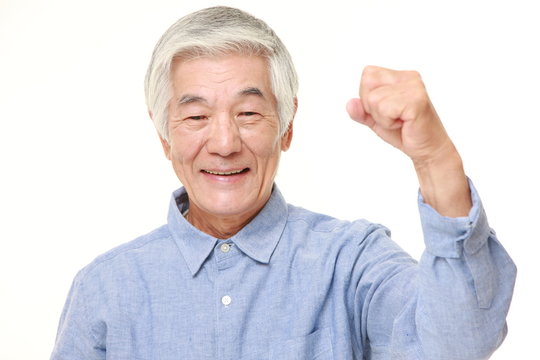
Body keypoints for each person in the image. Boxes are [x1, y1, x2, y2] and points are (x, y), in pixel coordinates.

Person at [50, 6, 516, 360]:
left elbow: (458, 342)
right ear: (164, 136)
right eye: (196, 115)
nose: (225, 141)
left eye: (249, 113)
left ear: (287, 126)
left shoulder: (350, 261)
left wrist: (435, 159)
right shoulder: (105, 289)